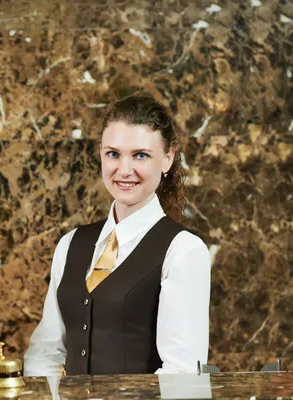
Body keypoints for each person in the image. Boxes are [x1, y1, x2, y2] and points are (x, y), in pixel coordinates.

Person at [24, 95, 211, 376]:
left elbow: (182, 373)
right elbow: (45, 352)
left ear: (168, 158)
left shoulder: (183, 250)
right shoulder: (70, 244)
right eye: (113, 154)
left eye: (141, 155)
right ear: (100, 153)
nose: (125, 170)